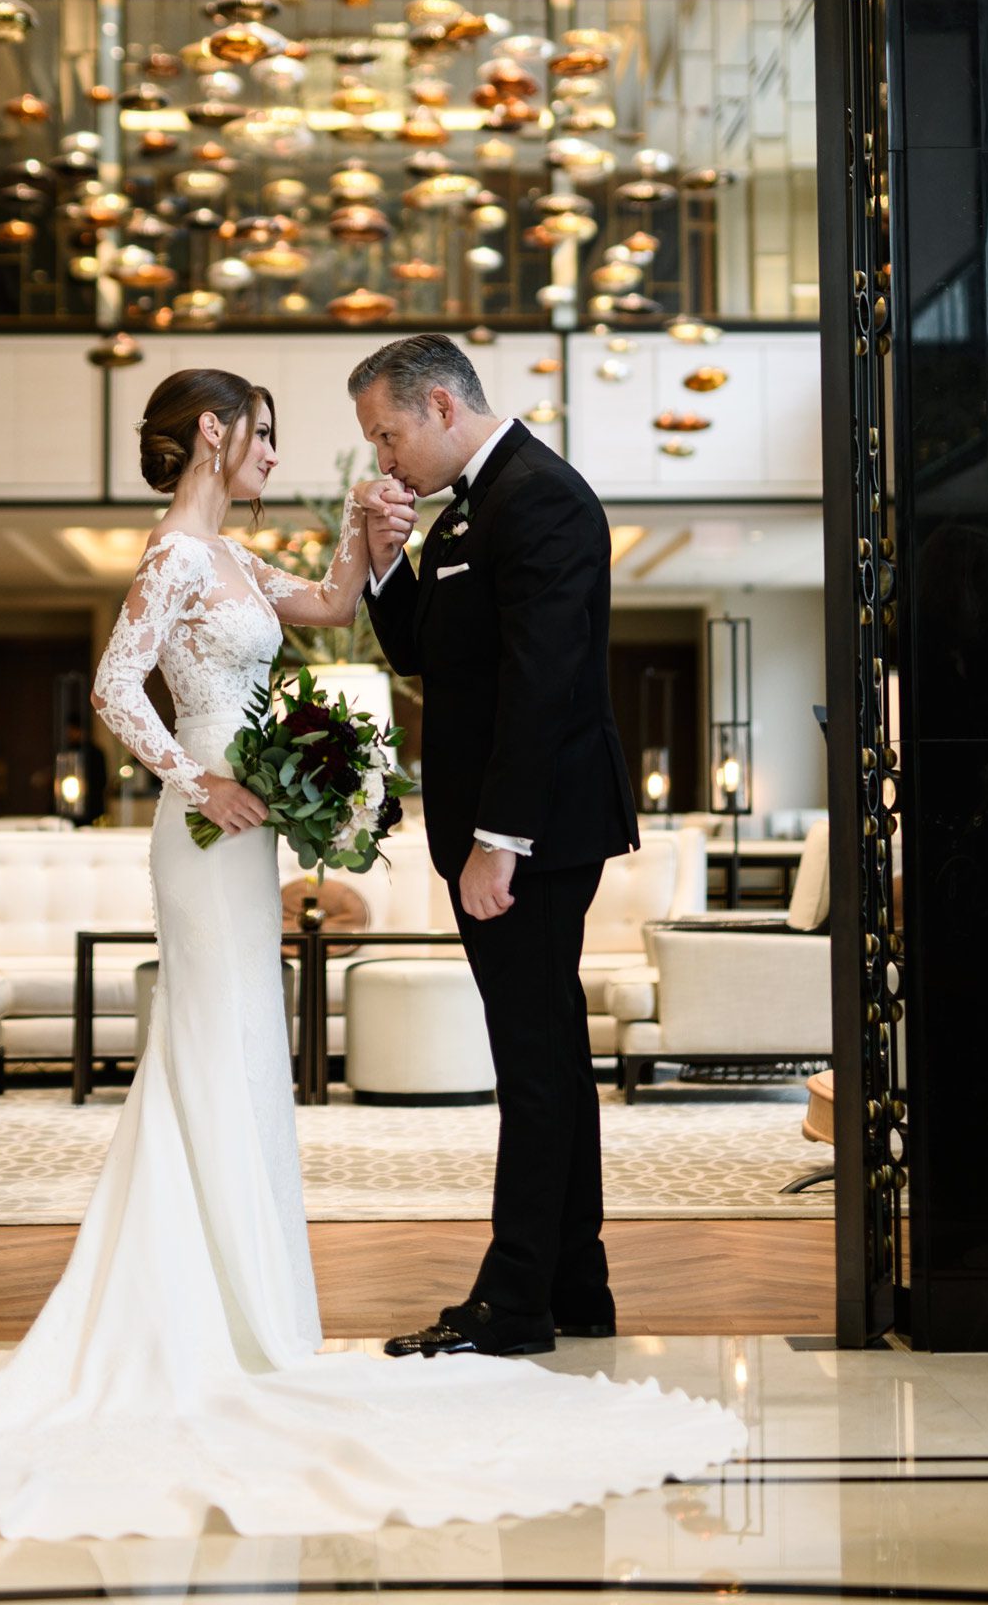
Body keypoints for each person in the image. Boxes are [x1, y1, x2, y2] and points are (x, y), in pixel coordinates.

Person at [0, 364, 741, 1544]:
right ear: (214, 433)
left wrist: (365, 542)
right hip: (203, 831)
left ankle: (271, 1301)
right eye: (266, 434)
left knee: (250, 1044)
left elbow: (334, 611)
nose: (288, 452)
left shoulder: (248, 560)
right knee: (214, 1036)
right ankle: (209, 1302)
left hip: (254, 834)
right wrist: (196, 773)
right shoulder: (171, 557)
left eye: (372, 433)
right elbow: (112, 684)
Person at [349, 334, 639, 1359]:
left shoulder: (539, 495)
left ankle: (514, 1299)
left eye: (387, 433)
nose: (384, 457)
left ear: (438, 404)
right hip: (516, 824)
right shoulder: (471, 503)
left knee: (531, 1061)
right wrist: (387, 559)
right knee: (552, 1048)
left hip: (539, 827)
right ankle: (573, 1283)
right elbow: (432, 655)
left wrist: (497, 840)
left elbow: (543, 684)